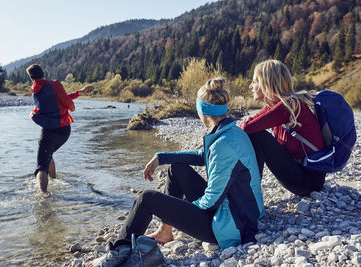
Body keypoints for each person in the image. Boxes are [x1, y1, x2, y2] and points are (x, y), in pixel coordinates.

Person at [89, 77, 264, 266]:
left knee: (147, 198)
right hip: (240, 211)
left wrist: (178, 211)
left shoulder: (224, 144)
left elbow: (211, 200)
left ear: (202, 111)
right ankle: (165, 231)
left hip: (233, 226)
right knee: (176, 168)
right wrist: (161, 157)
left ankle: (118, 252)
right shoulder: (230, 131)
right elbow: (201, 156)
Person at [239, 59, 326, 196]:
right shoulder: (277, 105)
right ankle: (244, 191)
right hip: (302, 174)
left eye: (255, 81)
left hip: (308, 182)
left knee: (257, 136)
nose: (251, 86)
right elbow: (246, 126)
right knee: (255, 133)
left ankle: (248, 195)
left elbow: (246, 129)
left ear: (267, 83)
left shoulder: (288, 105)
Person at [26, 64, 93, 193]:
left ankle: (43, 196)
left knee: (41, 167)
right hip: (64, 131)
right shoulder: (55, 84)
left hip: (49, 132)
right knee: (48, 155)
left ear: (31, 79)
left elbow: (59, 99)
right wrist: (78, 95)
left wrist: (78, 94)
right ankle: (54, 181)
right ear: (43, 73)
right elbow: (63, 99)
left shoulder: (35, 91)